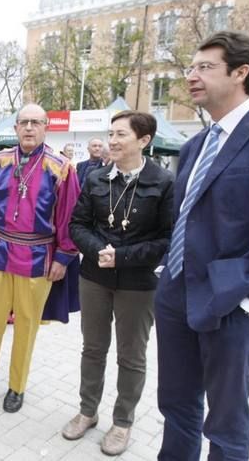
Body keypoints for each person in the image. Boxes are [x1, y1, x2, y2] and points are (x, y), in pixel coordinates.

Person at [155, 31, 249, 461]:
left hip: (231, 306)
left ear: (241, 73)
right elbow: (185, 217)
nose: (192, 76)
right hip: (175, 296)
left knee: (225, 423)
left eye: (205, 67)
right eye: (190, 67)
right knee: (176, 405)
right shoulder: (194, 145)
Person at [63, 111, 173, 456]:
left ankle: (123, 421)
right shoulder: (96, 178)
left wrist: (122, 257)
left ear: (143, 140)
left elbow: (169, 239)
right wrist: (99, 252)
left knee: (131, 356)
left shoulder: (164, 182)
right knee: (93, 349)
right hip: (95, 277)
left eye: (120, 134)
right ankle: (87, 411)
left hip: (139, 284)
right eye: (110, 133)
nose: (111, 140)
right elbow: (77, 225)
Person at [0, 103, 80, 414]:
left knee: (27, 327)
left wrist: (64, 257)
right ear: (15, 128)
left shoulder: (62, 168)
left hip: (38, 259)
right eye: (24, 122)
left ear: (46, 127)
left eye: (36, 123)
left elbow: (69, 217)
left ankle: (17, 388)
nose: (29, 128)